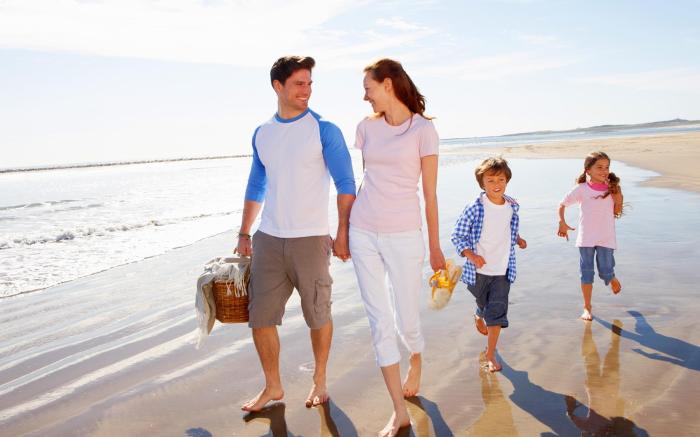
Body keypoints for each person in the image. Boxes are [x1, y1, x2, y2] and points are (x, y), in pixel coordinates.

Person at [236, 56, 356, 412]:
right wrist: (244, 232)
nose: (307, 90)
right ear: (278, 86)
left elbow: (346, 184)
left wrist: (343, 232)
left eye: (309, 83)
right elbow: (256, 185)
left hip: (311, 238)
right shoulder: (262, 134)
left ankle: (320, 380)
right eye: (299, 84)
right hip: (269, 238)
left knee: (317, 314)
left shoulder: (324, 129)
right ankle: (273, 386)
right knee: (260, 317)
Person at [348, 58, 446, 437]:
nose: (365, 96)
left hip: (405, 235)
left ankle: (416, 356)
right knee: (380, 321)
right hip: (363, 231)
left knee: (407, 319)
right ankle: (398, 410)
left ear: (387, 84)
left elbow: (430, 195)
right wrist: (342, 229)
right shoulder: (365, 129)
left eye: (368, 88)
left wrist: (434, 247)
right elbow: (364, 180)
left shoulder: (423, 130)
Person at [451, 157, 527, 373]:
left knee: (496, 314)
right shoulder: (475, 208)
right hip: (478, 272)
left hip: (502, 270)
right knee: (483, 304)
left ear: (507, 181)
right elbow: (457, 236)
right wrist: (472, 255)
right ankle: (479, 313)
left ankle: (490, 353)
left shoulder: (511, 207)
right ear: (482, 183)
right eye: (491, 180)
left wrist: (518, 239)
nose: (496, 184)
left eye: (501, 179)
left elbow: (507, 230)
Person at [557, 151, 623, 321]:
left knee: (606, 271)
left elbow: (617, 211)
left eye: (606, 167)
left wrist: (617, 195)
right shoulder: (582, 189)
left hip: (606, 238)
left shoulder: (611, 189)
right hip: (586, 238)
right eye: (599, 167)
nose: (604, 171)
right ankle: (587, 307)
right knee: (586, 273)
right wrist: (562, 223)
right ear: (588, 170)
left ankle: (611, 278)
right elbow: (562, 204)